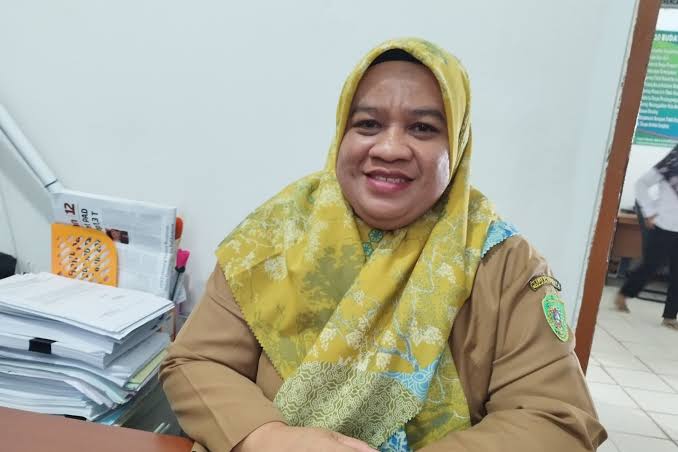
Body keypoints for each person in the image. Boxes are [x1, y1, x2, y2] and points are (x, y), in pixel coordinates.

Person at [160, 38, 605, 452]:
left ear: (457, 145)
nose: (390, 148)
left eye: (423, 128)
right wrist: (266, 437)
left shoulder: (504, 263)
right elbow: (197, 360)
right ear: (342, 134)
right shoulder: (276, 234)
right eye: (368, 124)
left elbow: (555, 419)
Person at [615, 143, 678, 330]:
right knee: (651, 265)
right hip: (664, 224)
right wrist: (649, 212)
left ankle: (670, 316)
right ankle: (624, 294)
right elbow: (641, 183)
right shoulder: (671, 164)